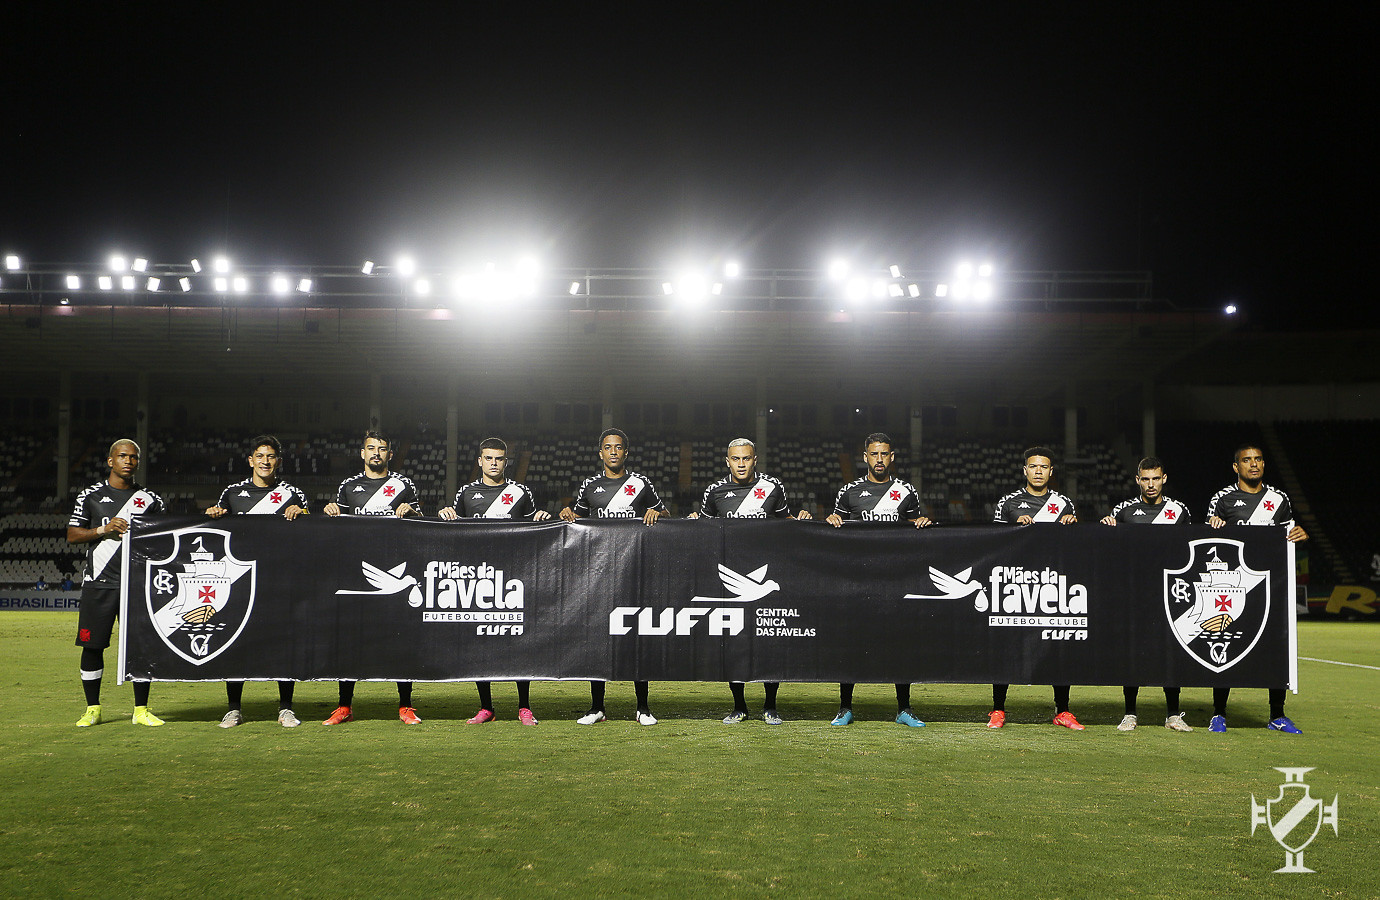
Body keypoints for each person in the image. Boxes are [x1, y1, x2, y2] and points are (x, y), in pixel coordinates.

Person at [691, 438, 811, 725]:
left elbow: (786, 523)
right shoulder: (715, 491)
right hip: (731, 570)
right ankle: (739, 707)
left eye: (746, 458)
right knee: (734, 644)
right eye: (736, 459)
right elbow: (703, 531)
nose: (741, 464)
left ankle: (771, 706)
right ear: (727, 461)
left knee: (769, 642)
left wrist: (802, 520)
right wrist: (693, 521)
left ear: (755, 460)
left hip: (767, 572)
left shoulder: (772, 487)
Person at [558, 427, 669, 725]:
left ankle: (643, 708)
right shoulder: (590, 485)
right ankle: (597, 707)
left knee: (637, 637)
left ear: (626, 452)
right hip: (600, 573)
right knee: (597, 639)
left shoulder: (640, 484)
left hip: (635, 571)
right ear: (601, 453)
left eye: (618, 447)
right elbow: (577, 520)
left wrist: (658, 514)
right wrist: (568, 514)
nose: (613, 452)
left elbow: (666, 516)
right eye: (608, 447)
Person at [439, 437, 551, 726]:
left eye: (499, 458)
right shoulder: (466, 493)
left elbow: (534, 532)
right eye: (488, 458)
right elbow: (454, 532)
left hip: (514, 576)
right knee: (481, 643)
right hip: (480, 579)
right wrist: (446, 515)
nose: (493, 463)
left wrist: (540, 518)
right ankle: (486, 707)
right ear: (480, 461)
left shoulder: (520, 492)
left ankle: (524, 707)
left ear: (506, 461)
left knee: (518, 642)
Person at [825, 432, 932, 728]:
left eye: (884, 454)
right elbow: (836, 531)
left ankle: (904, 709)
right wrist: (832, 521)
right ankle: (845, 708)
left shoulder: (906, 491)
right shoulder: (850, 492)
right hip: (857, 581)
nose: (879, 459)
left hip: (895, 581)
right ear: (865, 457)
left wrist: (920, 523)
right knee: (851, 643)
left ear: (892, 457)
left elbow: (914, 528)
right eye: (874, 454)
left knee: (901, 644)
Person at [321, 430, 425, 726]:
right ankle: (344, 706)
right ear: (362, 453)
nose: (376, 453)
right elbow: (335, 528)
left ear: (390, 454)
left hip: (394, 569)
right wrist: (330, 511)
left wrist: (412, 511)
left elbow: (421, 526)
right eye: (371, 448)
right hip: (356, 571)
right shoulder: (348, 486)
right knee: (350, 640)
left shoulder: (403, 484)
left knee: (400, 639)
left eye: (381, 449)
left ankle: (405, 706)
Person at [206, 434, 309, 728]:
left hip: (280, 580)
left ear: (279, 461)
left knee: (284, 643)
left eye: (271, 456)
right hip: (240, 581)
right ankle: (234, 709)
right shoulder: (232, 493)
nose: (265, 461)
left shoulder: (292, 494)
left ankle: (286, 708)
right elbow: (217, 529)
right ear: (251, 460)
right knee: (236, 642)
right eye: (260, 456)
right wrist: (213, 514)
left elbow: (311, 529)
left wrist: (302, 512)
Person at [1206, 443, 1308, 734]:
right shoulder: (1222, 499)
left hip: (1270, 586)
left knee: (1276, 647)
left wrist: (1299, 534)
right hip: (1232, 587)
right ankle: (1218, 714)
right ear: (1236, 467)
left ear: (1264, 464)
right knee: (1226, 644)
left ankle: (1277, 714)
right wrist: (1212, 524)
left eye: (1258, 459)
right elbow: (1209, 539)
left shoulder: (1278, 499)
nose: (1253, 464)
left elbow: (1287, 536)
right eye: (1247, 460)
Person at [67, 439, 166, 727]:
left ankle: (141, 710)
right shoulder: (91, 496)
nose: (128, 461)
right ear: (110, 461)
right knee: (92, 646)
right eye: (122, 456)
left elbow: (164, 539)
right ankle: (93, 709)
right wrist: (103, 529)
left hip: (136, 585)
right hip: (99, 583)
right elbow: (73, 535)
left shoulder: (151, 500)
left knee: (140, 648)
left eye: (133, 457)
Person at [990, 446, 1082, 730]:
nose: (1038, 471)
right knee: (1007, 645)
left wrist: (1072, 525)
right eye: (1033, 466)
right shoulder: (1009, 503)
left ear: (1051, 471)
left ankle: (1063, 710)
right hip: (1016, 584)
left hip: (1052, 585)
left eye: (1044, 467)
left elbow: (1074, 547)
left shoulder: (1063, 503)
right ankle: (998, 709)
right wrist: (1014, 527)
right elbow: (991, 542)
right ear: (1025, 470)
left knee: (1058, 645)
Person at [1099, 456, 1193, 733]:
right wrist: (1106, 526)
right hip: (1135, 592)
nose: (1151, 484)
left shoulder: (1179, 510)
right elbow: (1109, 547)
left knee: (1171, 651)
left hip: (1169, 592)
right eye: (1146, 479)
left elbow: (1190, 548)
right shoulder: (1124, 510)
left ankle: (1173, 714)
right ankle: (1130, 713)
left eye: (1156, 479)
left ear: (1164, 479)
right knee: (1132, 652)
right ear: (1137, 480)